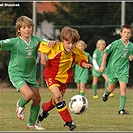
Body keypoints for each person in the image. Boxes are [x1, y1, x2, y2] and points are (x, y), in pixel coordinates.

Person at [0, 16, 56, 130]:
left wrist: (51, 43)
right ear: (19, 30)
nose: (27, 29)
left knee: (37, 99)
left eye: (29, 27)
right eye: (24, 27)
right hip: (16, 73)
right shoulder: (15, 42)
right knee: (29, 95)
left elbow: (48, 43)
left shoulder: (36, 40)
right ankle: (20, 105)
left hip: (30, 75)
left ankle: (32, 124)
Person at [37, 26, 92, 131]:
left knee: (57, 100)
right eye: (68, 43)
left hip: (64, 79)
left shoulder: (75, 50)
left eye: (73, 43)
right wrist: (43, 58)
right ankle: (69, 122)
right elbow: (41, 45)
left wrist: (84, 64)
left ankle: (44, 109)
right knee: (58, 96)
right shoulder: (54, 46)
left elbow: (80, 58)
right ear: (62, 41)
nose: (71, 46)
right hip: (51, 75)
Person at [99, 24, 133, 115]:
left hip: (124, 70)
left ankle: (121, 109)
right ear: (121, 33)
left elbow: (130, 53)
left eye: (128, 33)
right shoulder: (116, 43)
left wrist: (130, 56)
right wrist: (102, 66)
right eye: (124, 32)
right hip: (113, 69)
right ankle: (106, 93)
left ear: (131, 35)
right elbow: (106, 52)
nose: (126, 34)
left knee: (123, 89)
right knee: (111, 88)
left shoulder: (131, 46)